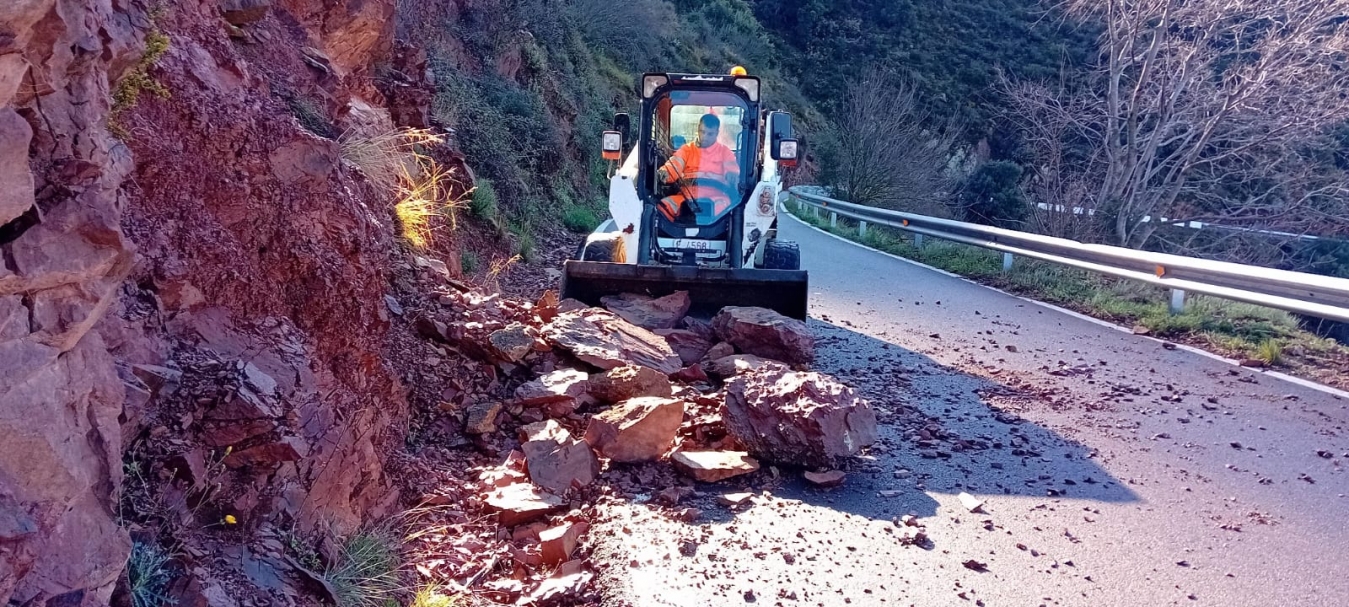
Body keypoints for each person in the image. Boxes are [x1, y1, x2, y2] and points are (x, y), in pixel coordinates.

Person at [655, 113, 740, 221]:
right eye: (702, 132)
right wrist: (664, 173)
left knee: (724, 209)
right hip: (686, 197)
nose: (704, 137)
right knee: (664, 207)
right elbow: (675, 164)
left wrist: (732, 174)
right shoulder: (686, 150)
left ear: (717, 133)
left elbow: (731, 167)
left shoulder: (725, 152)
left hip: (716, 197)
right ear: (698, 129)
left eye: (710, 134)